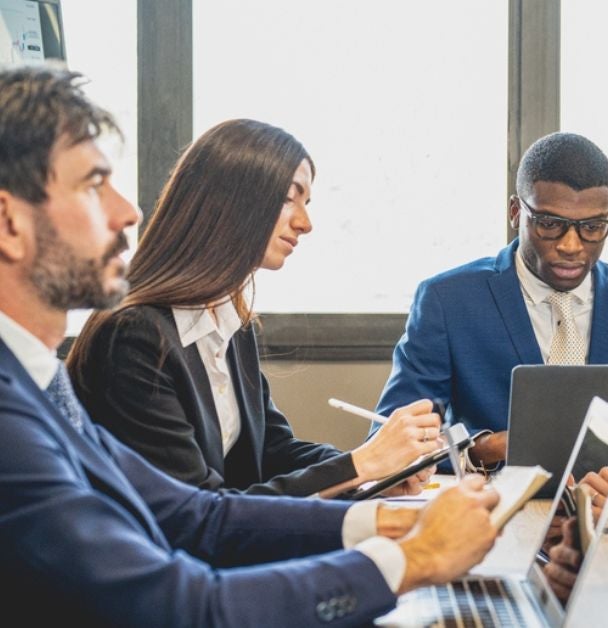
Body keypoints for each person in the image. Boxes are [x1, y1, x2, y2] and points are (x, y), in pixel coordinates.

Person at [0, 65, 499, 626]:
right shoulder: (73, 374)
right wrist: (411, 554)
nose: (128, 212)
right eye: (93, 185)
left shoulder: (39, 380)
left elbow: (198, 516)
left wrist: (389, 518)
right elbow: (183, 601)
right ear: (9, 223)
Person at [65, 118, 439, 499]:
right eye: (287, 198)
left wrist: (378, 474)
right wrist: (363, 465)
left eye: (306, 203)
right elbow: (195, 511)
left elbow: (273, 452)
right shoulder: (134, 336)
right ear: (228, 201)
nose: (305, 223)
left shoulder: (232, 323)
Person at [374, 132, 608, 469]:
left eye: (592, 227)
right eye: (549, 224)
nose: (571, 245)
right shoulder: (448, 302)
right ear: (515, 212)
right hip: (494, 508)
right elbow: (390, 446)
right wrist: (482, 450)